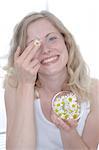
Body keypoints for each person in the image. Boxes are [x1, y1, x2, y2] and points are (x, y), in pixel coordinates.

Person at [4, 10, 99, 150]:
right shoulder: (15, 87)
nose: (45, 50)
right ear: (23, 57)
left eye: (52, 38)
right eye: (34, 44)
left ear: (66, 42)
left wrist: (67, 130)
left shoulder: (95, 90)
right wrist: (26, 84)